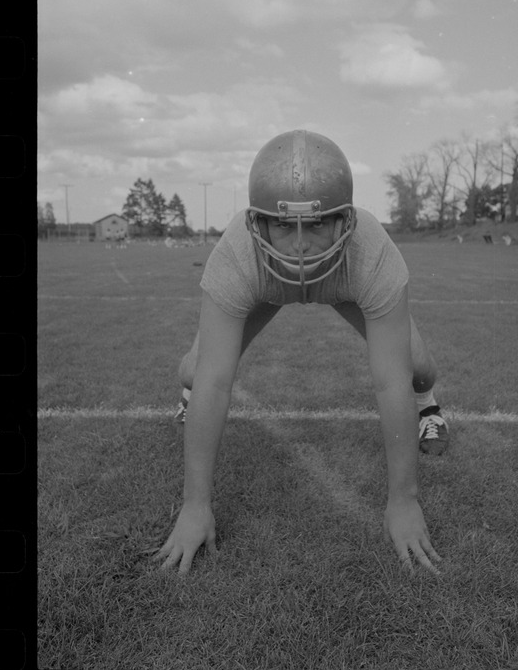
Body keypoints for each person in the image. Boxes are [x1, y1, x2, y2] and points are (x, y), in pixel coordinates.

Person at [156, 130, 448, 575]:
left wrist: (403, 501)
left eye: (316, 223)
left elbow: (390, 381)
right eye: (282, 224)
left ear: (344, 221)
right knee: (198, 374)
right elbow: (217, 381)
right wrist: (195, 505)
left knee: (417, 370)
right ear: (257, 222)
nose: (298, 245)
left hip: (343, 283)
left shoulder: (371, 252)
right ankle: (185, 401)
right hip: (264, 283)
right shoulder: (236, 254)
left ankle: (430, 410)